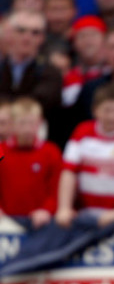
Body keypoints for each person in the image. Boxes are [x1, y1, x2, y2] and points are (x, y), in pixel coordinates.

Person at [56, 83, 114, 228]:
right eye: (106, 110)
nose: (111, 116)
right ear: (95, 110)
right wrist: (64, 208)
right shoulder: (82, 132)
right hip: (83, 214)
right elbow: (68, 172)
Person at [0, 98, 62, 229]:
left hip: (40, 222)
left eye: (32, 124)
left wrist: (47, 210)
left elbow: (56, 189)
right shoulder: (2, 150)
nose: (27, 129)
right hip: (5, 222)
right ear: (12, 124)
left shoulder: (51, 152)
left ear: (40, 123)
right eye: (22, 123)